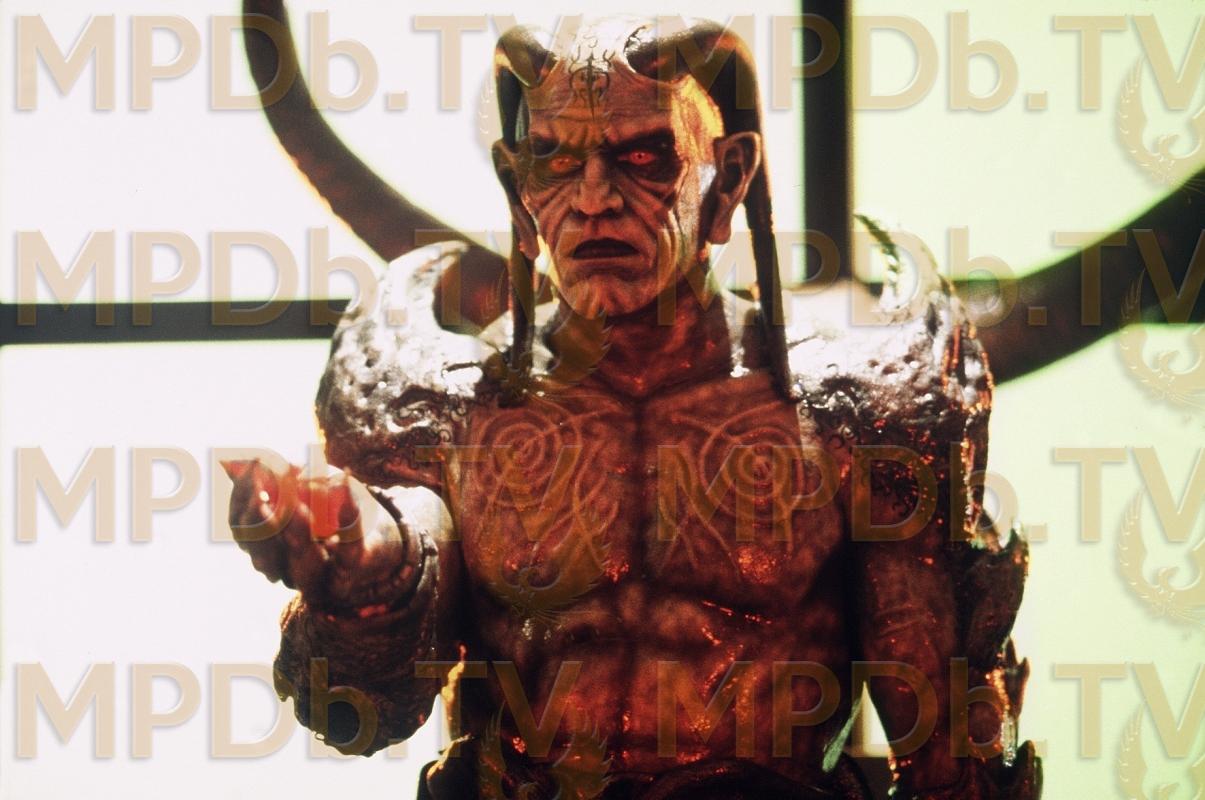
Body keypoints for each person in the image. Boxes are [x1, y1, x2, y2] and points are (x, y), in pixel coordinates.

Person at [227, 17, 1040, 799]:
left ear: (729, 179)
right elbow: (362, 709)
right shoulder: (449, 408)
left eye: (644, 156)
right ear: (517, 189)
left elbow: (944, 753)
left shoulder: (850, 410)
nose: (592, 199)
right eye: (552, 161)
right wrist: (366, 577)